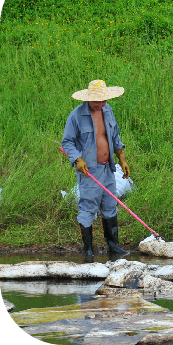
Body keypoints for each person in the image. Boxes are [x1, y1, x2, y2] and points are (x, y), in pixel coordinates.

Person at [62, 80, 130, 258]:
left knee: (110, 205)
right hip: (89, 171)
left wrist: (122, 159)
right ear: (88, 99)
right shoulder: (76, 116)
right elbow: (67, 142)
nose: (101, 105)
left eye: (104, 101)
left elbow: (115, 136)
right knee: (88, 207)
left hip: (108, 168)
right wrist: (77, 158)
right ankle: (89, 251)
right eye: (97, 102)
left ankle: (113, 246)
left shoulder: (107, 111)